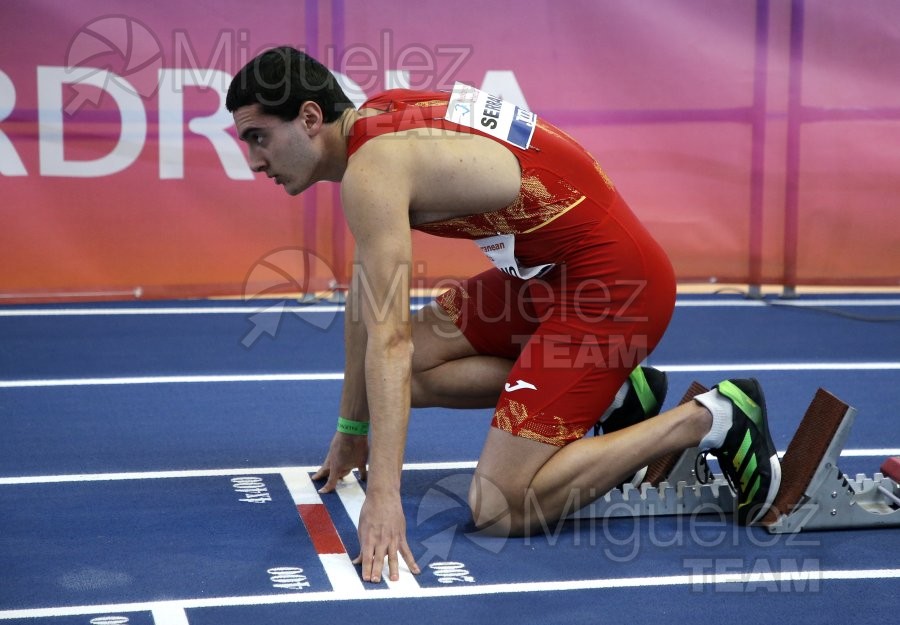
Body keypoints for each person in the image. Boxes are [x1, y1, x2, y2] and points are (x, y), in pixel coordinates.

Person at [226, 46, 781, 583]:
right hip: (548, 276)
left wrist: (385, 498)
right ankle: (612, 396)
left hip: (616, 288)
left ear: (308, 118)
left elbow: (388, 341)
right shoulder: (378, 115)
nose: (253, 161)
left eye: (259, 138)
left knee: (501, 506)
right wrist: (352, 430)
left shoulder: (372, 171)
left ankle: (714, 417)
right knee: (393, 379)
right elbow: (367, 299)